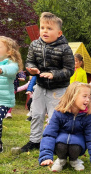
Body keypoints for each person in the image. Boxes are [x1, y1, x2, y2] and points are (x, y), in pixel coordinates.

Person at [20, 12, 75, 152]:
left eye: (49, 28)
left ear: (59, 33)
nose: (45, 31)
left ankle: (55, 143)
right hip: (40, 86)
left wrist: (53, 74)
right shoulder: (34, 45)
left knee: (55, 118)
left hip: (59, 89)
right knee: (36, 114)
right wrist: (31, 69)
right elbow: (30, 61)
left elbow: (69, 70)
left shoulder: (65, 48)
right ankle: (34, 141)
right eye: (42, 27)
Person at [39, 82, 91, 172]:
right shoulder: (59, 113)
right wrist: (45, 156)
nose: (87, 100)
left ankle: (74, 160)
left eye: (89, 97)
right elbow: (49, 135)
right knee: (61, 143)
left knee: (75, 144)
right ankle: (61, 160)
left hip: (77, 145)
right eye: (84, 96)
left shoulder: (88, 116)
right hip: (60, 144)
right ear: (72, 96)